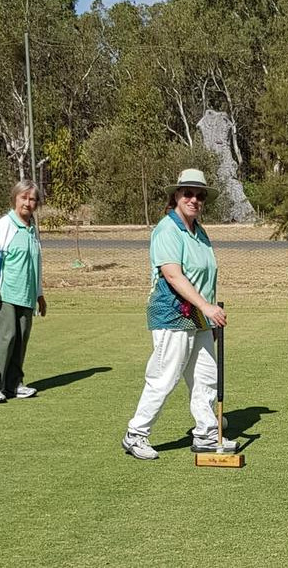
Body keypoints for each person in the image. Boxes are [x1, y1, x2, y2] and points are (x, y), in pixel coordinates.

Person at [121, 168, 236, 460]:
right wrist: (207, 306)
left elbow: (205, 275)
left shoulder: (199, 231)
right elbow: (173, 275)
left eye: (199, 195)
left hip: (199, 316)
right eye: (188, 193)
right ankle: (136, 434)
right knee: (165, 376)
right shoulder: (167, 229)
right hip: (172, 314)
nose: (194, 199)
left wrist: (209, 313)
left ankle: (208, 434)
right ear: (176, 196)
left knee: (205, 376)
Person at [0, 179, 47, 403]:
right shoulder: (4, 225)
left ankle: (13, 384)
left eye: (33, 199)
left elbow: (36, 265)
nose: (28, 203)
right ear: (15, 199)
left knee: (20, 341)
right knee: (4, 339)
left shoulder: (32, 229)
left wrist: (39, 294)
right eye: (24, 198)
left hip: (26, 295)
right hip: (4, 293)